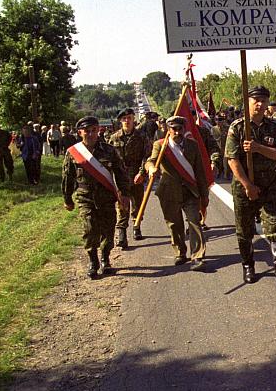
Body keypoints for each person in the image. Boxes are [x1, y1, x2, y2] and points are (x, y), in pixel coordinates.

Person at [225, 85, 276, 290]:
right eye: (256, 100)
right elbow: (232, 160)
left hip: (269, 185)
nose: (260, 104)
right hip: (244, 187)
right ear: (247, 102)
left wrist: (258, 148)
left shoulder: (274, 126)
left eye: (264, 100)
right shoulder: (237, 127)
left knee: (275, 227)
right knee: (245, 230)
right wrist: (247, 185)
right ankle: (248, 265)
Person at [62, 116, 130, 279]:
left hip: (106, 197)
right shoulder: (73, 153)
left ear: (99, 130)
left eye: (94, 130)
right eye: (87, 131)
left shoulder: (109, 150)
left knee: (108, 229)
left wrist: (125, 194)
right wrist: (67, 199)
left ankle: (106, 259)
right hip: (85, 198)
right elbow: (67, 177)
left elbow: (120, 173)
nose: (91, 134)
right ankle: (93, 261)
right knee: (90, 230)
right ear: (80, 133)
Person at [146, 115, 210, 271]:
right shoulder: (161, 146)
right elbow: (150, 161)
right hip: (169, 192)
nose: (177, 132)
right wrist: (151, 169)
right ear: (168, 130)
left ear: (184, 129)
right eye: (173, 129)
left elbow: (200, 171)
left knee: (194, 222)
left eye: (180, 129)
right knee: (174, 225)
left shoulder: (192, 145)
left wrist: (204, 195)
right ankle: (180, 252)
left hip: (190, 191)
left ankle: (197, 256)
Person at [109, 108, 152, 248]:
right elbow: (108, 159)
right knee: (122, 206)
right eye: (124, 119)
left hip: (136, 177)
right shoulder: (114, 138)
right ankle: (121, 234)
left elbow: (148, 156)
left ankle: (136, 226)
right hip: (121, 179)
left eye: (129, 118)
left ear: (134, 119)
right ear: (120, 121)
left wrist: (142, 173)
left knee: (138, 204)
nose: (127, 121)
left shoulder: (142, 137)